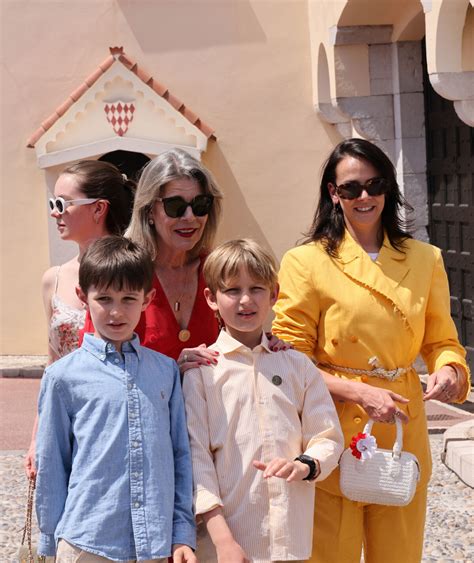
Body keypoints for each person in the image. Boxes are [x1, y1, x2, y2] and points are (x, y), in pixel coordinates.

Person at [272, 138, 471, 563]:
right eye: (351, 188)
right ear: (333, 193)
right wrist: (360, 392)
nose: (364, 196)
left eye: (375, 184)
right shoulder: (305, 261)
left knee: (398, 554)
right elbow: (289, 359)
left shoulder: (426, 259)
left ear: (389, 188)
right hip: (330, 429)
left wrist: (450, 369)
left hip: (401, 427)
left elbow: (441, 340)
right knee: (328, 555)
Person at [35, 236, 197, 563]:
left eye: (128, 298)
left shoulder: (165, 371)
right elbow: (52, 463)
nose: (115, 311)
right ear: (83, 297)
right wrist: (49, 546)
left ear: (147, 299)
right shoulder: (62, 377)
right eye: (104, 298)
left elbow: (181, 456)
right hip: (86, 542)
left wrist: (182, 533)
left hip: (153, 543)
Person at [182, 239, 344, 563]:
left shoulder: (297, 366)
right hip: (227, 545)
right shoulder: (202, 374)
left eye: (257, 288)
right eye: (232, 290)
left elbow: (327, 436)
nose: (245, 300)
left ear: (274, 294)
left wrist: (305, 464)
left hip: (290, 541)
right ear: (211, 298)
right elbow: (195, 458)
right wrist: (223, 540)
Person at [25, 159, 136, 478]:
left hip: (117, 424)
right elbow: (52, 365)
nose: (54, 212)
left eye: (61, 203)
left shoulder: (135, 273)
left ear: (98, 209)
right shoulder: (54, 279)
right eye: (52, 203)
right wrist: (36, 437)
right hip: (65, 423)